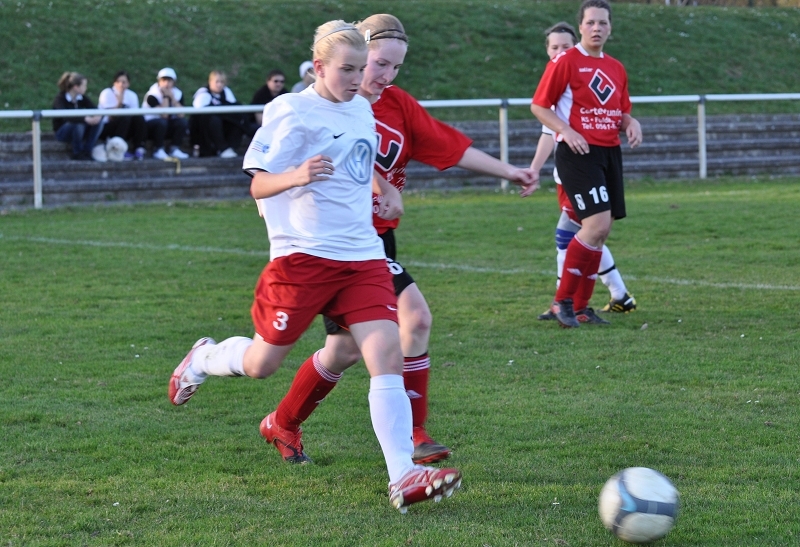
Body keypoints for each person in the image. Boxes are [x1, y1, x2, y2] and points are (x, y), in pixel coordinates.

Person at [168, 20, 461, 513]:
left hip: (363, 256)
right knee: (262, 364)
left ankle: (403, 476)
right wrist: (296, 175)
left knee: (385, 355)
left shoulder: (363, 110)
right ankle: (201, 358)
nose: (356, 78)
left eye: (360, 69)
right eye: (346, 69)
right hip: (302, 259)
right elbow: (257, 184)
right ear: (319, 67)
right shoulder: (290, 110)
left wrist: (383, 188)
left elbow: (357, 158)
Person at [265, 13, 540, 467]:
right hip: (333, 245)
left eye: (396, 68)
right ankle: (413, 435)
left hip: (374, 246)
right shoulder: (329, 104)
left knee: (344, 350)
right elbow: (337, 153)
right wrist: (382, 184)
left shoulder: (396, 104)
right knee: (414, 318)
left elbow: (448, 144)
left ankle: (283, 421)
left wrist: (509, 170)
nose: (385, 77)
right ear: (353, 55)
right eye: (378, 64)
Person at [531, 0, 642, 328]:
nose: (597, 28)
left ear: (610, 27)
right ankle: (562, 302)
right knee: (593, 226)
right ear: (580, 26)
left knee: (601, 229)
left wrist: (630, 122)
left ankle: (580, 308)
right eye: (591, 22)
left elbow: (620, 111)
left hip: (608, 153)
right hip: (577, 154)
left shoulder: (616, 68)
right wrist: (565, 130)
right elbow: (540, 106)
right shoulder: (566, 61)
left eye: (603, 23)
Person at [52, 72, 105, 161]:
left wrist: (98, 116)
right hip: (62, 132)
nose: (86, 88)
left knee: (99, 123)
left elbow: (94, 108)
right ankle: (77, 152)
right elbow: (66, 116)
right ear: (76, 87)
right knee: (77, 124)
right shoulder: (60, 99)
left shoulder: (82, 98)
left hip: (80, 130)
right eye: (84, 86)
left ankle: (88, 150)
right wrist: (85, 119)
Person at [191, 70, 245, 158]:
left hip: (223, 126)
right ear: (210, 82)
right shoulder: (203, 94)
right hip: (205, 129)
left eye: (222, 82)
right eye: (217, 82)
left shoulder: (226, 92)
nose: (219, 85)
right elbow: (198, 114)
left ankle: (230, 147)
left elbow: (234, 107)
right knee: (214, 120)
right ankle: (222, 148)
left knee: (238, 122)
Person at [98, 70, 147, 161]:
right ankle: (119, 149)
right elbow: (110, 117)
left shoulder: (132, 95)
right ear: (114, 83)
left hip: (126, 127)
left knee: (139, 118)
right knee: (124, 117)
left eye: (124, 82)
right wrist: (119, 103)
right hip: (108, 127)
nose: (121, 84)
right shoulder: (107, 93)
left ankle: (138, 147)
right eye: (118, 82)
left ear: (128, 83)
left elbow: (135, 115)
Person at [142, 67, 190, 160]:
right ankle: (158, 149)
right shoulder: (151, 95)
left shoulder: (178, 94)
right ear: (159, 81)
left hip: (167, 125)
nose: (166, 83)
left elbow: (181, 114)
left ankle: (174, 149)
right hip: (151, 126)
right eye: (164, 80)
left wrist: (172, 98)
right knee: (162, 122)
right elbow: (164, 114)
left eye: (169, 80)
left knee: (182, 122)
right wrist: (165, 96)